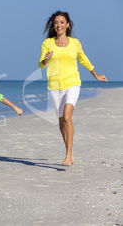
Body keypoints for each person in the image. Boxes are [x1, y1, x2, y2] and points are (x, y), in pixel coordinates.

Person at [39, 10, 107, 166]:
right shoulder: (47, 43)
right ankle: (68, 150)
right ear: (53, 25)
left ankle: (68, 154)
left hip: (72, 83)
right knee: (61, 121)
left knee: (67, 116)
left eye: (62, 22)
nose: (59, 25)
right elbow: (41, 64)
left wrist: (95, 74)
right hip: (54, 86)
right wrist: (45, 60)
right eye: (56, 22)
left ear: (68, 24)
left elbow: (83, 59)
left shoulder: (75, 43)